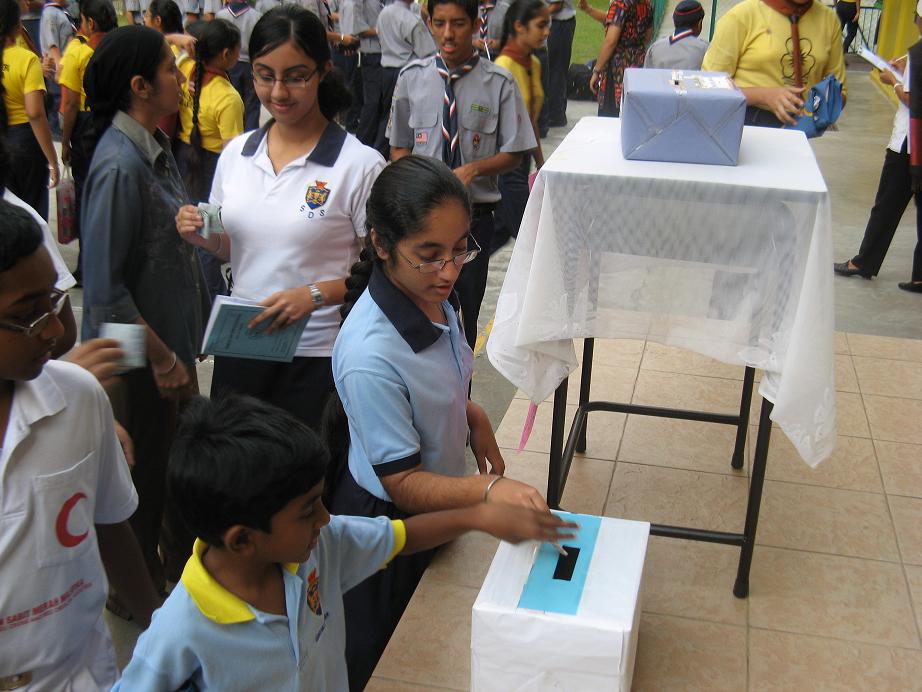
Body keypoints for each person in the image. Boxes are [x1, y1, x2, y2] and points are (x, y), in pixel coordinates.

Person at [111, 394, 576, 691]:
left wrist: (482, 516)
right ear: (242, 540)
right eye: (308, 509)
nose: (327, 517)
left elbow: (403, 536)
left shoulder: (319, 547)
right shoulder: (178, 636)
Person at [328, 155, 551, 690]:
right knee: (389, 661)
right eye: (430, 256)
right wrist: (489, 491)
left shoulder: (433, 298)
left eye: (460, 250)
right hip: (390, 528)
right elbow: (402, 483)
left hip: (440, 497)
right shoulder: (370, 354)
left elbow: (437, 382)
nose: (451, 271)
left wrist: (469, 414)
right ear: (382, 244)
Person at [175, 5, 385, 429]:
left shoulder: (359, 165)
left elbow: (384, 267)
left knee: (305, 477)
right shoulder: (237, 153)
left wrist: (312, 295)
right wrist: (203, 236)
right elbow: (232, 248)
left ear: (323, 71)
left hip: (318, 351)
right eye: (265, 75)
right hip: (244, 343)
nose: (278, 92)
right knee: (240, 473)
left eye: (295, 76)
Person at [0, 199, 160, 691]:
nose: (54, 328)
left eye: (53, 299)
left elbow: (112, 530)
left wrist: (163, 632)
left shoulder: (79, 398)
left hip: (77, 674)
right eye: (28, 315)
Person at [81, 25, 209, 600]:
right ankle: (136, 597)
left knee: (168, 468)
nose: (179, 79)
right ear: (139, 85)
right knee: (141, 479)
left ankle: (170, 576)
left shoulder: (151, 150)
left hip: (166, 348)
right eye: (167, 68)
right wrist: (161, 361)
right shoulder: (118, 166)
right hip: (137, 358)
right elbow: (106, 294)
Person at [387, 0, 536, 350]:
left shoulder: (499, 82)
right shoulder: (411, 78)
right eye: (439, 23)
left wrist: (473, 169)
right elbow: (398, 147)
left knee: (464, 314)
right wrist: (417, 181)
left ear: (474, 24)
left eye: (458, 23)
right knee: (417, 314)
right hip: (420, 221)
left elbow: (515, 151)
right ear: (430, 23)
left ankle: (460, 398)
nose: (448, 34)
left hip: (472, 223)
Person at [835, 8, 922, 293]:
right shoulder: (915, 55)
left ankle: (865, 261)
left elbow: (912, 99)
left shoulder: (919, 52)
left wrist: (893, 80)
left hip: (910, 143)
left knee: (887, 204)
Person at [701, 0, 846, 127]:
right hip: (746, 125)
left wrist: (815, 116)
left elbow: (839, 90)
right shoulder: (741, 16)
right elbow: (706, 86)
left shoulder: (828, 20)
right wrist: (763, 95)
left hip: (800, 132)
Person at [58, 0, 117, 282]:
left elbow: (69, 104)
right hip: (116, 125)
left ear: (90, 23)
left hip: (86, 127)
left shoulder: (77, 52)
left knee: (86, 196)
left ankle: (86, 266)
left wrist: (66, 142)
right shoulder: (119, 47)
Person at [492, 0, 548, 253]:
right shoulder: (503, 67)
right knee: (531, 239)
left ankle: (461, 270)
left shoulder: (533, 64)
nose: (546, 32)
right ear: (519, 27)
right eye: (541, 25)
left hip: (521, 159)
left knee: (500, 232)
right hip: (505, 163)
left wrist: (540, 160)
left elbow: (531, 119)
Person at [1, 0, 59, 221]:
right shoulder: (27, 60)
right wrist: (52, 159)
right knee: (32, 214)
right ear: (17, 27)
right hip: (25, 143)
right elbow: (35, 113)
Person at [376, 0, 436, 156]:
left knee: (386, 117)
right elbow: (428, 52)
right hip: (407, 72)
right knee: (401, 122)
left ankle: (378, 153)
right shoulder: (412, 20)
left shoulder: (384, 13)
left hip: (386, 70)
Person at [586, 0, 653, 117]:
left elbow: (611, 41)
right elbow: (647, 37)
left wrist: (596, 70)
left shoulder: (620, 4)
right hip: (638, 64)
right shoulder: (646, 4)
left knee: (611, 117)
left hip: (617, 69)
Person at [344, 0, 387, 147]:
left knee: (381, 102)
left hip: (384, 54)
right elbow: (357, 28)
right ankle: (362, 143)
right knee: (372, 102)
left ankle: (377, 143)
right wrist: (385, 29)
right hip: (371, 53)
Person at [215, 0, 262, 130]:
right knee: (251, 106)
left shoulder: (221, 15)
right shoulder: (256, 16)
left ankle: (234, 136)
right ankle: (250, 140)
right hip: (250, 65)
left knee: (230, 103)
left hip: (228, 64)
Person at [39, 0, 75, 135]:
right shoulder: (49, 13)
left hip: (65, 70)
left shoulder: (59, 12)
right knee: (58, 109)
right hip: (58, 73)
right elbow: (52, 44)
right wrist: (60, 70)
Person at [644, 0, 709, 70]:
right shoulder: (705, 49)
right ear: (699, 23)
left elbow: (646, 76)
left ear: (675, 22)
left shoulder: (655, 47)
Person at [544, 0, 574, 128]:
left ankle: (555, 115)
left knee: (556, 69)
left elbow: (556, 5)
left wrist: (531, 16)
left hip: (559, 23)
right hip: (551, 22)